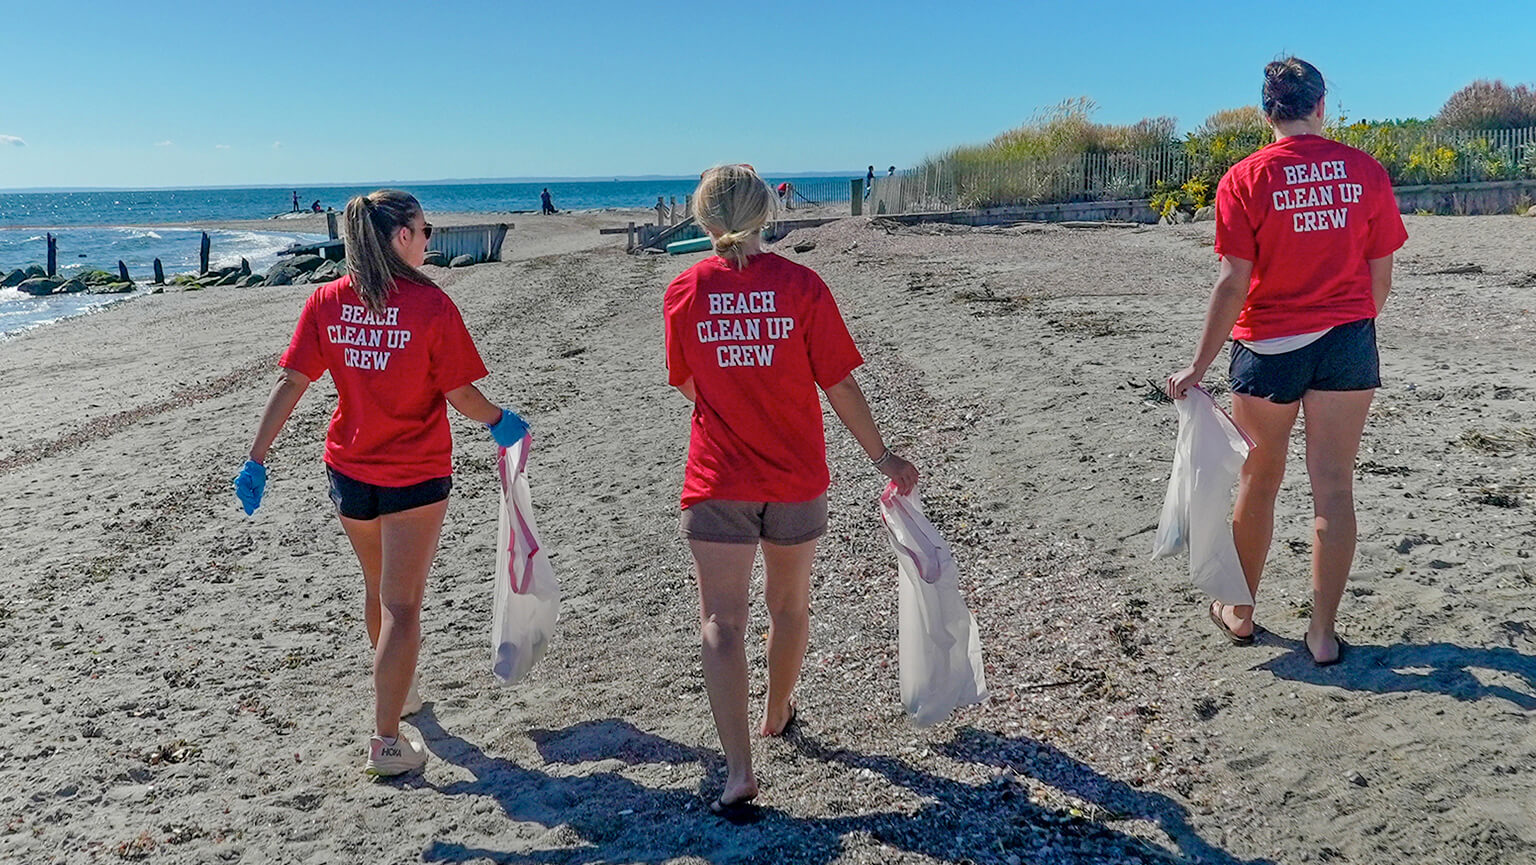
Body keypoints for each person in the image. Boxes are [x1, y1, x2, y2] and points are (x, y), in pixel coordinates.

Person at [233, 188, 530, 775]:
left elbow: (292, 382)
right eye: (423, 230)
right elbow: (460, 393)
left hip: (348, 470)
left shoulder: (328, 300)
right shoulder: (429, 305)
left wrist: (256, 458)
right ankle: (387, 740)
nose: (428, 239)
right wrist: (500, 421)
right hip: (413, 474)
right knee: (402, 603)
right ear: (400, 237)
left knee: (379, 586)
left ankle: (404, 691)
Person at [663, 164, 919, 815]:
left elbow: (686, 382)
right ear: (765, 216)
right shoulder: (802, 285)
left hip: (719, 477)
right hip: (796, 475)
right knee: (790, 605)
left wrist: (730, 402)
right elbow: (838, 384)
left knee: (722, 618)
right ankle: (777, 709)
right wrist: (883, 456)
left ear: (706, 221)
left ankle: (740, 769)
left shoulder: (686, 289)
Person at [1164, 58, 1407, 666]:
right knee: (1334, 489)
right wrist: (1350, 321)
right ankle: (1322, 635)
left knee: (1260, 480)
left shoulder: (1244, 178)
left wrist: (1198, 365)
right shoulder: (1365, 171)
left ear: (1267, 110)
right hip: (1348, 341)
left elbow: (1233, 283)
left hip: (1269, 347)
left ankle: (1241, 613)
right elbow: (1382, 274)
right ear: (1321, 105)